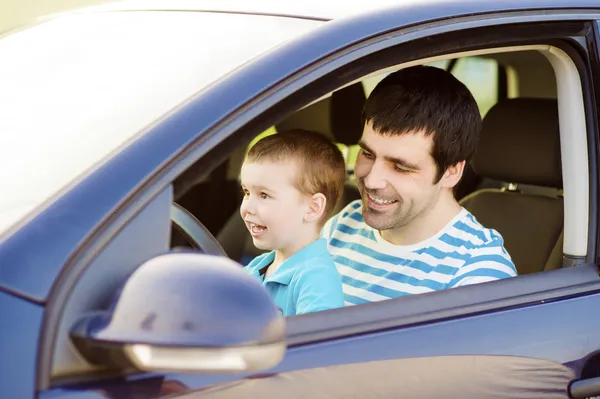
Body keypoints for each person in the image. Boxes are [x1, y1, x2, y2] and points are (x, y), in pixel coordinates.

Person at [322, 65, 517, 306]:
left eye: (401, 167)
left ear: (451, 172)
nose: (371, 180)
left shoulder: (478, 274)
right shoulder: (343, 225)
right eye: (367, 153)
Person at [240, 130, 346, 316]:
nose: (247, 207)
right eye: (246, 193)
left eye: (264, 195)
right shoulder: (259, 266)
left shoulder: (317, 280)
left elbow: (317, 343)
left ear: (312, 208)